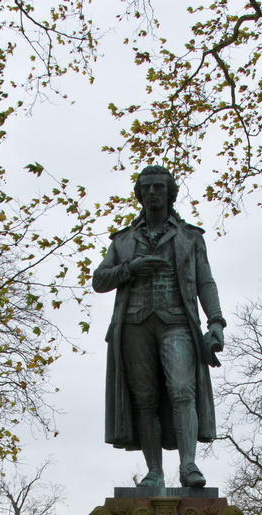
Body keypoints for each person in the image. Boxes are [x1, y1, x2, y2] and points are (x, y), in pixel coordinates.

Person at [93, 165, 226, 493]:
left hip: (176, 323)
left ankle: (188, 464)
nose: (152, 192)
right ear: (139, 194)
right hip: (135, 325)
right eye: (146, 188)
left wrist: (216, 322)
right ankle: (154, 471)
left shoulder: (189, 237)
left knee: (183, 390)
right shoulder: (124, 240)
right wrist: (130, 268)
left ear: (169, 193)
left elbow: (205, 281)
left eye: (158, 188)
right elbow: (99, 279)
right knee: (146, 399)